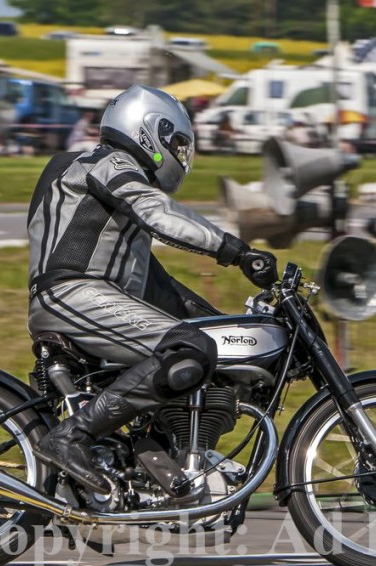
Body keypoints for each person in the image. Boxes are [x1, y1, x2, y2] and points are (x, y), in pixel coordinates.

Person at [26, 84, 277, 493]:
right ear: (150, 130)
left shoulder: (119, 223)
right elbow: (159, 214)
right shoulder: (107, 162)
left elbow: (164, 291)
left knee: (199, 344)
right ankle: (69, 438)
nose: (180, 155)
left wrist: (226, 325)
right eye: (176, 143)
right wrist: (238, 252)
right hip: (72, 293)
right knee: (189, 348)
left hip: (93, 297)